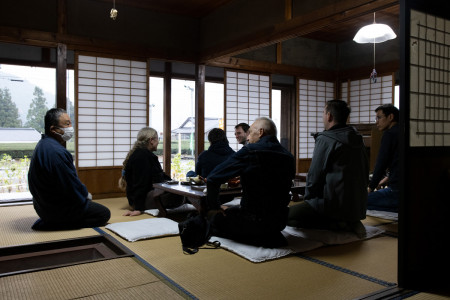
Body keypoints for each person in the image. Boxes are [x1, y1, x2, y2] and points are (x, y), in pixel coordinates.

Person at [204, 117, 295, 247]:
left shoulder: (250, 151)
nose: (247, 138)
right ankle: (267, 236)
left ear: (261, 132)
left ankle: (255, 237)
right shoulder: (288, 156)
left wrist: (216, 207)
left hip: (252, 221)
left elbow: (213, 178)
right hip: (279, 222)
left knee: (212, 218)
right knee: (232, 210)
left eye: (250, 133)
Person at [287, 100, 369, 237]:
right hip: (357, 206)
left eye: (323, 113)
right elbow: (366, 170)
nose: (323, 116)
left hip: (332, 204)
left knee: (286, 216)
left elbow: (314, 175)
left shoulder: (326, 139)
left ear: (329, 116)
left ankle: (336, 224)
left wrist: (309, 200)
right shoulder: (357, 138)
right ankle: (351, 221)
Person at [28, 108, 111, 230]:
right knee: (104, 214)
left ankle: (52, 220)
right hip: (56, 209)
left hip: (42, 206)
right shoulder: (56, 152)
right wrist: (85, 196)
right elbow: (70, 186)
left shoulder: (43, 145)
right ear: (53, 129)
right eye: (67, 124)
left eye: (70, 123)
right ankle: (53, 224)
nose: (71, 127)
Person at [119, 127, 183, 217]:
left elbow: (160, 175)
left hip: (144, 196)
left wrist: (174, 182)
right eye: (158, 139)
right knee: (180, 195)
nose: (158, 142)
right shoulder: (143, 156)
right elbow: (140, 183)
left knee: (179, 191)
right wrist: (138, 208)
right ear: (151, 140)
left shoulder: (142, 154)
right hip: (144, 200)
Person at [367, 104, 399, 212]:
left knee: (361, 202)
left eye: (379, 117)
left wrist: (371, 187)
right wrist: (387, 178)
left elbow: (381, 163)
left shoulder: (389, 134)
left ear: (390, 117)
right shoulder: (403, 131)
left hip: (395, 190)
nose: (376, 122)